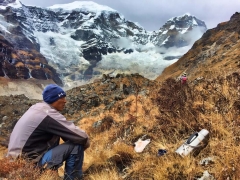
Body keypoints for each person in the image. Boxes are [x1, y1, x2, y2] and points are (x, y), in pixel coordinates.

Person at [7, 84, 90, 180]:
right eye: (62, 98)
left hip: (17, 164)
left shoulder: (37, 108)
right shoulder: (48, 114)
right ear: (53, 99)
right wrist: (84, 145)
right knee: (76, 146)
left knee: (58, 136)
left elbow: (68, 134)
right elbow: (81, 137)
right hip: (30, 165)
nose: (65, 101)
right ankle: (74, 178)